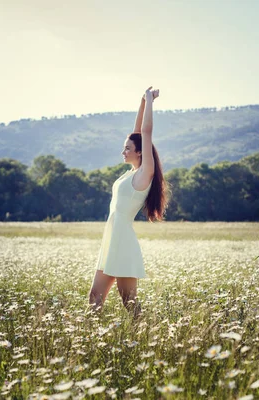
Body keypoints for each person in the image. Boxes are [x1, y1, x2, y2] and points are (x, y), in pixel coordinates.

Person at [88, 86, 169, 319]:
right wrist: (143, 101)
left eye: (127, 148)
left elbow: (145, 132)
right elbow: (137, 132)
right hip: (112, 239)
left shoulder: (145, 172)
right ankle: (93, 342)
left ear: (140, 153)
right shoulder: (132, 172)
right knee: (95, 297)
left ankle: (145, 340)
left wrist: (151, 104)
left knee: (130, 305)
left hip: (122, 242)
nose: (123, 151)